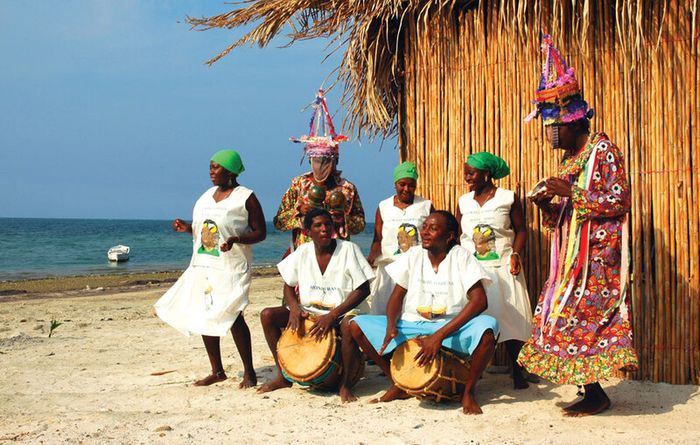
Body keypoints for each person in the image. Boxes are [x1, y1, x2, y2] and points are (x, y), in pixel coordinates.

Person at [518, 35, 638, 416]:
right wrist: (546, 207)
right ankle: (592, 391)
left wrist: (571, 192)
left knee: (582, 321)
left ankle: (597, 394)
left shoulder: (602, 150)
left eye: (554, 126)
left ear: (572, 121)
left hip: (597, 262)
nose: (550, 134)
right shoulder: (572, 160)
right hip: (571, 262)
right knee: (561, 317)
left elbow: (620, 200)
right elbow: (566, 218)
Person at [345, 211, 499, 414]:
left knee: (489, 328)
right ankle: (399, 383)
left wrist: (438, 335)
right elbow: (396, 298)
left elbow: (480, 301)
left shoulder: (461, 256)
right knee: (356, 326)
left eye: (433, 229)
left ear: (450, 236)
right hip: (411, 325)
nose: (425, 232)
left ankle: (468, 393)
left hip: (449, 328)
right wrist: (391, 325)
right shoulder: (414, 255)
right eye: (424, 227)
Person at [155, 149, 266, 388]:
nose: (211, 172)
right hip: (205, 265)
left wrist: (237, 239)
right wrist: (187, 228)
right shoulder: (206, 196)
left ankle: (249, 372)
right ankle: (217, 371)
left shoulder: (245, 197)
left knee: (234, 314)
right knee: (206, 315)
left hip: (231, 266)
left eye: (216, 168)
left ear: (230, 171)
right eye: (210, 167)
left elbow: (260, 232)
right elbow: (205, 229)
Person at [257, 208, 374, 402]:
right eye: (318, 225)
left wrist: (332, 315)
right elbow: (288, 286)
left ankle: (345, 384)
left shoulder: (348, 249)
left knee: (347, 326)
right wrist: (294, 308)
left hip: (342, 312)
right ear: (308, 231)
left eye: (328, 224)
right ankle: (283, 375)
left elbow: (363, 289)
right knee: (267, 315)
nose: (324, 229)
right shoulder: (302, 251)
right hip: (309, 311)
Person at [455, 152, 533, 389]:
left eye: (472, 173)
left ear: (487, 174)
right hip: (473, 270)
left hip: (502, 267)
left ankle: (518, 373)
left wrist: (516, 254)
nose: (467, 177)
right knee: (473, 317)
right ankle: (471, 371)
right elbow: (459, 234)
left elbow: (520, 230)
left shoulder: (507, 198)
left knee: (510, 319)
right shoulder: (463, 201)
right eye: (466, 172)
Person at [274, 90, 365, 251]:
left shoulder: (347, 189)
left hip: (338, 255)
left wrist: (342, 219)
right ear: (310, 160)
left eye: (325, 161)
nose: (320, 166)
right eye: (316, 161)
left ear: (335, 160)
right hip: (305, 254)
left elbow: (360, 225)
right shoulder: (298, 185)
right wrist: (298, 212)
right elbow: (279, 222)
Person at [366, 162, 433, 314]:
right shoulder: (384, 206)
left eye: (411, 185)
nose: (406, 189)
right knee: (385, 310)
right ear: (395, 183)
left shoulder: (425, 206)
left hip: (416, 268)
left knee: (412, 310)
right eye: (402, 184)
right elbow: (378, 239)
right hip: (389, 269)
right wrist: (371, 257)